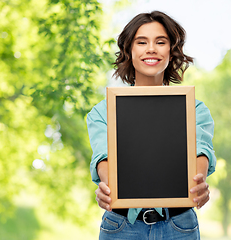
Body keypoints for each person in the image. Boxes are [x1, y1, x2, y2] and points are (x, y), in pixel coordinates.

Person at [87, 11, 216, 240]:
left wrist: (199, 182)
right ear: (129, 50)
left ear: (171, 50)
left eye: (160, 42)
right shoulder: (102, 111)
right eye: (141, 42)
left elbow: (200, 150)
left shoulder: (195, 109)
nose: (151, 49)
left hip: (179, 226)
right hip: (121, 226)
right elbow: (103, 157)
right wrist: (108, 187)